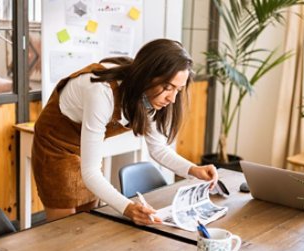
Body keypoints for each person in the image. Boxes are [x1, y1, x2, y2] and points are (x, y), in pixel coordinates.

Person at [31, 39, 218, 226]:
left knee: (87, 223)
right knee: (64, 230)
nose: (172, 98)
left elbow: (158, 148)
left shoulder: (147, 95)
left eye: (178, 89)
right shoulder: (101, 91)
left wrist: (194, 169)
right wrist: (127, 208)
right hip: (54, 144)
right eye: (168, 87)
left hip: (83, 145)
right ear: (148, 76)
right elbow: (91, 172)